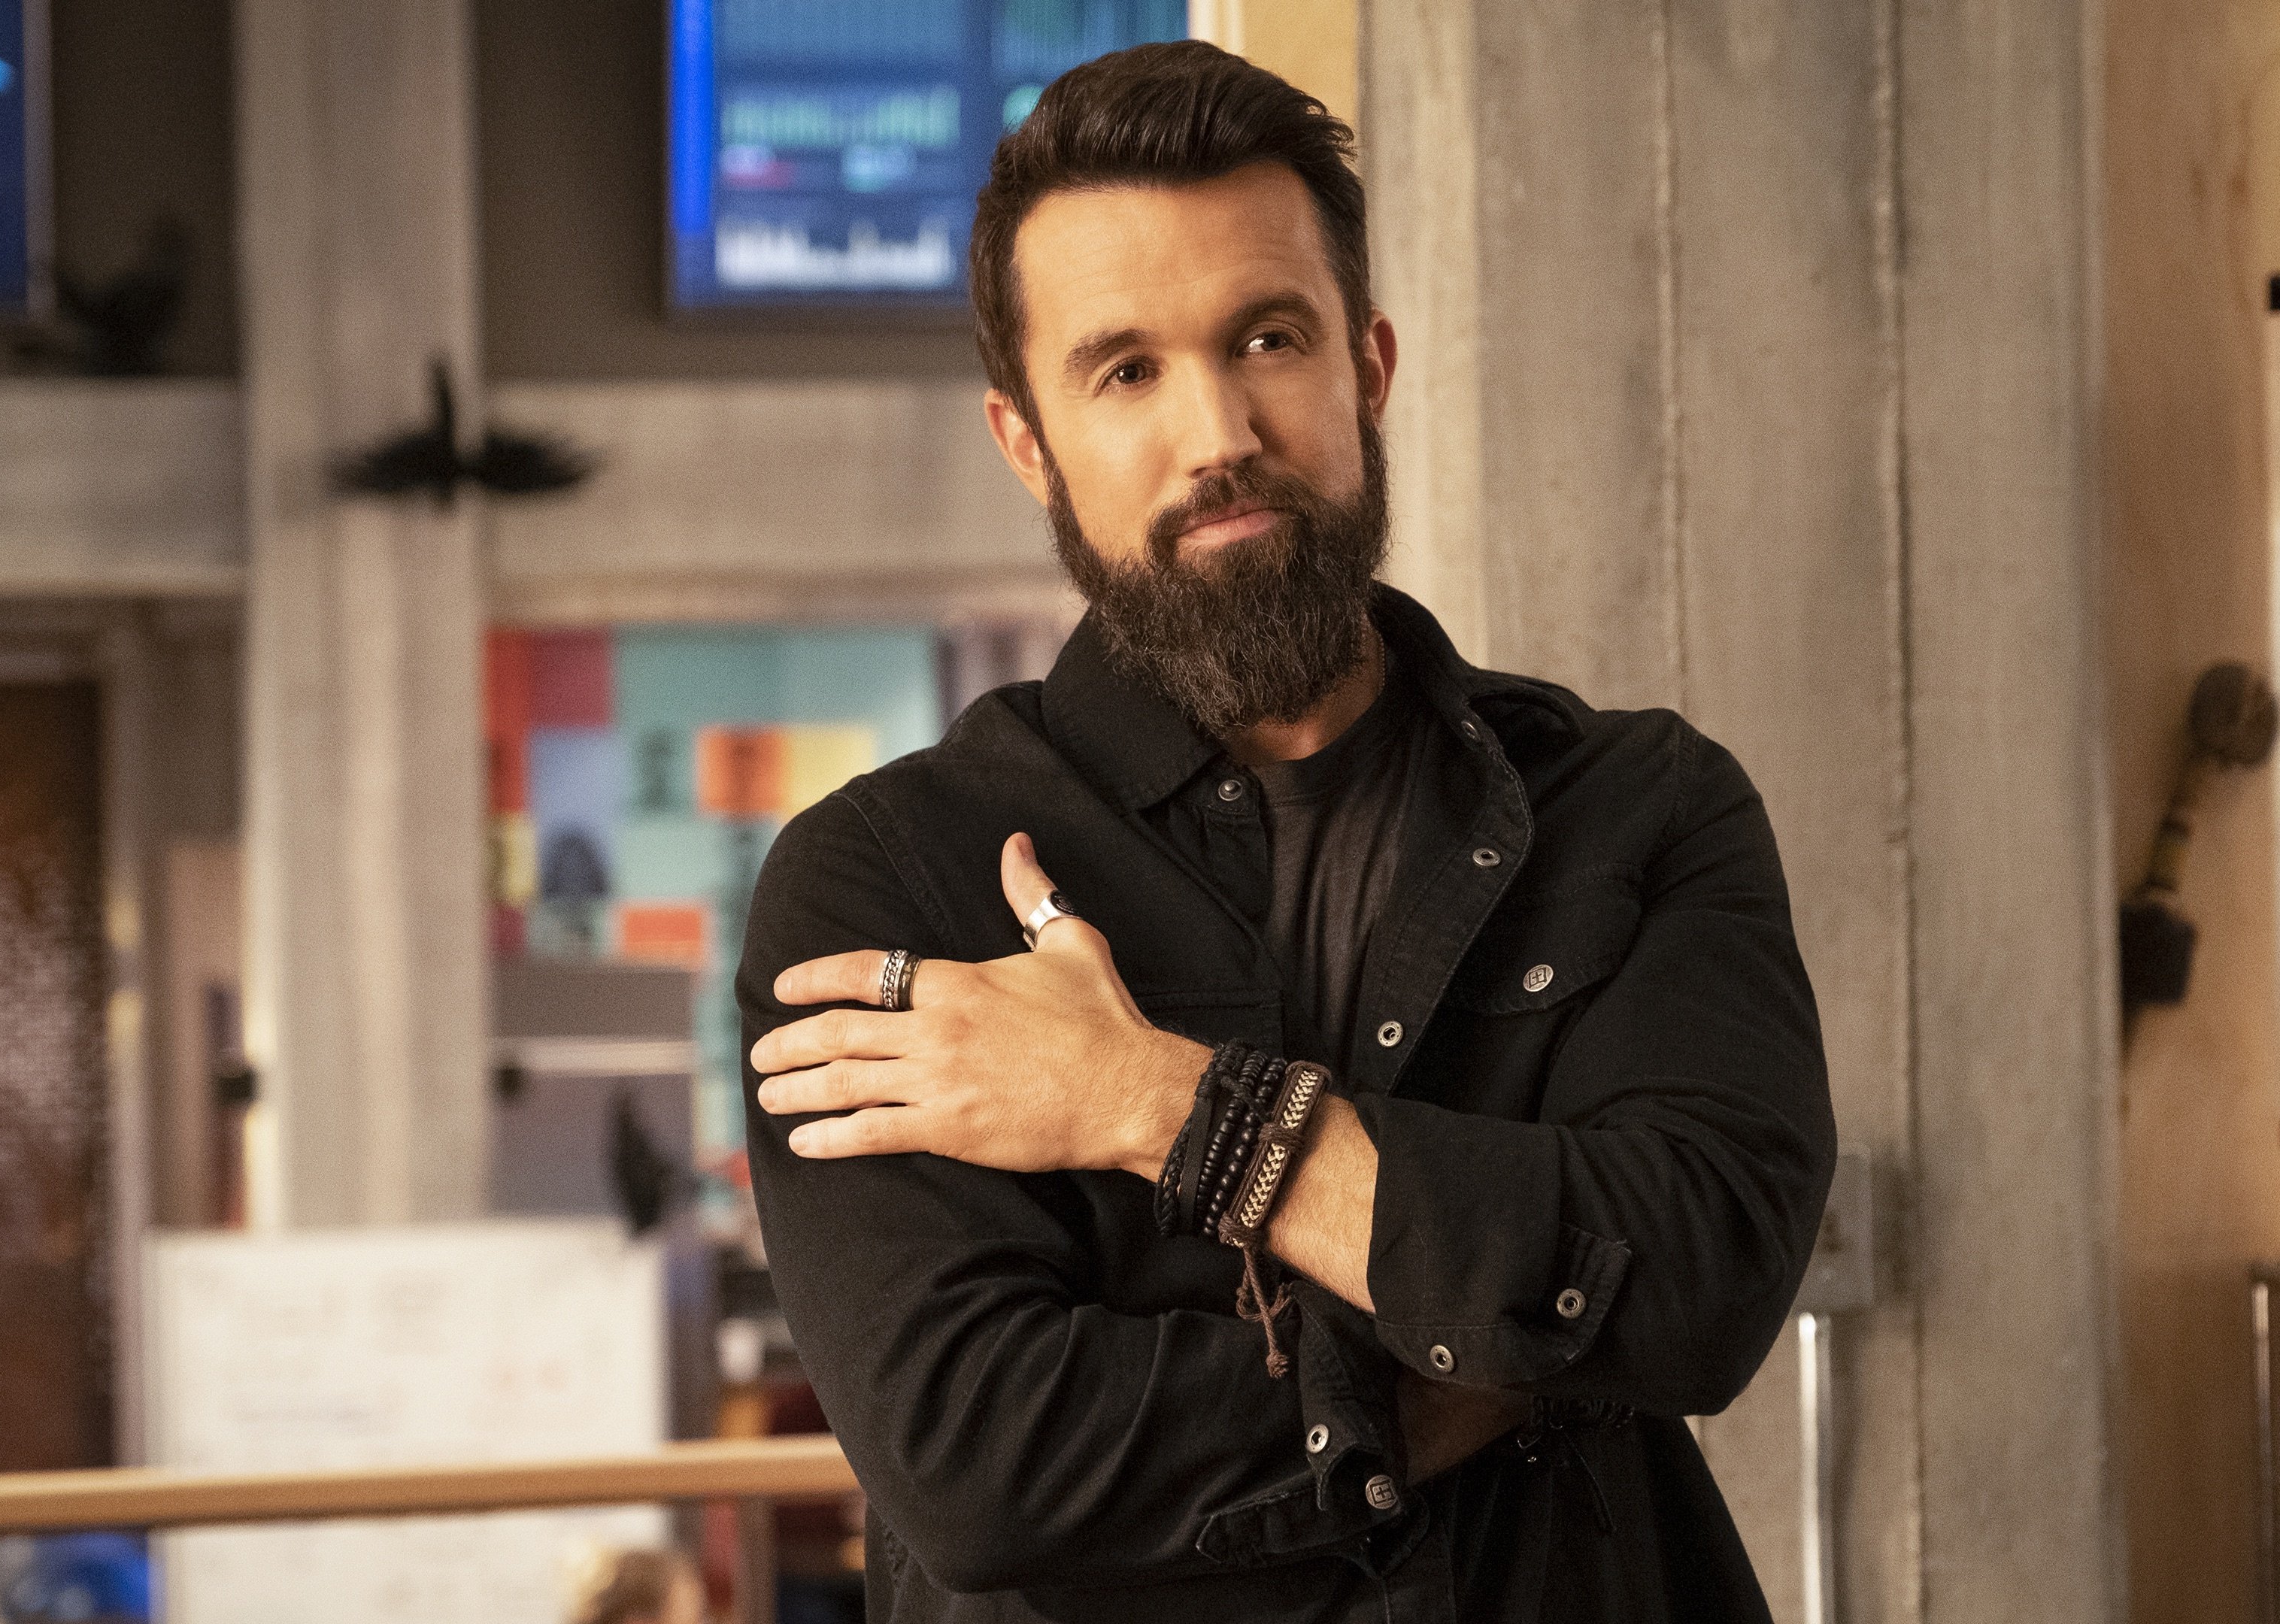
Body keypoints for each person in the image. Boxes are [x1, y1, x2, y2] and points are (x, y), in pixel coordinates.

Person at [739, 41, 1834, 1623]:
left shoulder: (1637, 804)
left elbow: (1702, 1284)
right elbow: (984, 1465)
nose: (1219, 432)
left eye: (1268, 338)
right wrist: (1509, 1347)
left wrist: (1158, 1105)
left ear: (1365, 367)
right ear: (1026, 440)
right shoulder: (883, 884)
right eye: (1127, 371)